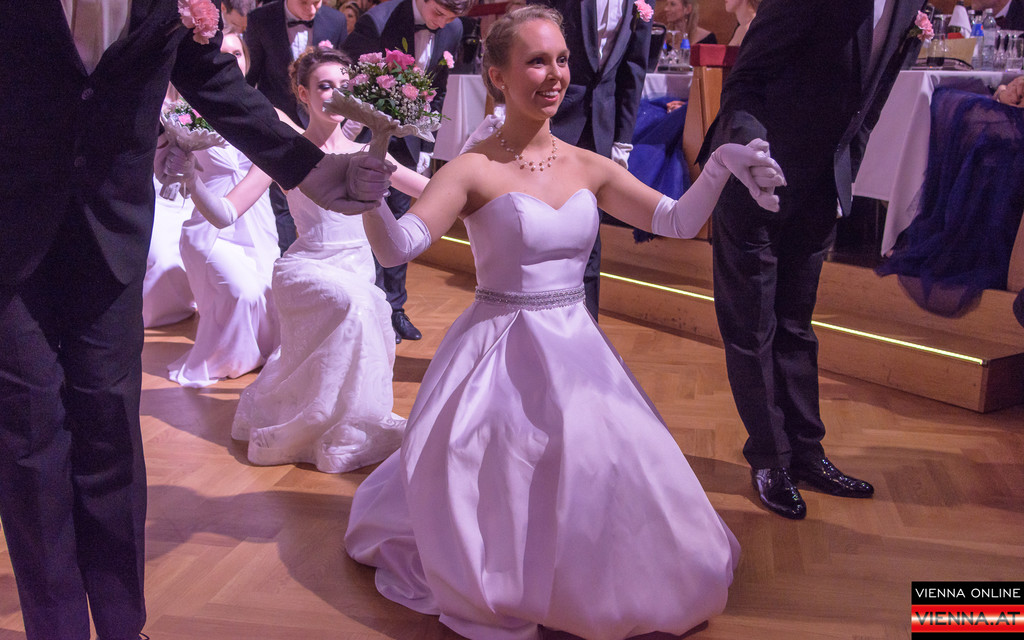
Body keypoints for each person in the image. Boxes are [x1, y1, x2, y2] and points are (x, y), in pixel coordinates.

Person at [344, 6, 785, 639]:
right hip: (496, 348)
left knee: (595, 466)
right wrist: (370, 202)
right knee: (500, 470)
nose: (554, 75)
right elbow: (398, 249)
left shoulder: (588, 164)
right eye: (535, 62)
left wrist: (720, 166)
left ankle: (593, 582)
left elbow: (677, 221)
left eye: (561, 60)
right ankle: (509, 574)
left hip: (577, 346)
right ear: (497, 76)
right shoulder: (471, 168)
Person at [0, 3, 390, 638]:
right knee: (28, 440)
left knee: (110, 427)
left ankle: (123, 626)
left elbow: (211, 78)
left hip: (110, 230)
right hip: (9, 236)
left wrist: (309, 168)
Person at [697, 0, 925, 521]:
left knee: (796, 325)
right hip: (755, 177)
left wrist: (847, 172)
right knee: (752, 326)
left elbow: (872, 97)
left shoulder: (911, 5)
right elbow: (745, 81)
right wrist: (751, 155)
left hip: (821, 186)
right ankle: (770, 459)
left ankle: (807, 452)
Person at [165, 46, 429, 472]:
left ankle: (349, 424)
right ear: (303, 95)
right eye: (324, 86)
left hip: (358, 269)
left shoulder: (371, 151)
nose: (335, 95)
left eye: (343, 86)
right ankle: (319, 423)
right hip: (307, 268)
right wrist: (192, 180)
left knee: (368, 305)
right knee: (359, 304)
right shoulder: (287, 154)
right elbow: (226, 213)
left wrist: (476, 158)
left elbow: (435, 192)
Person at [342, 0, 474, 343]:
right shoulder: (378, 21)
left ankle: (395, 308)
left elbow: (437, 91)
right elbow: (348, 81)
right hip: (366, 139)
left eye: (451, 18)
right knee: (365, 224)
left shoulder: (452, 28)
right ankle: (371, 306)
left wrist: (428, 147)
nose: (443, 23)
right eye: (439, 13)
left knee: (400, 225)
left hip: (409, 143)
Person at [168, 31, 282, 387]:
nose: (232, 58)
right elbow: (165, 174)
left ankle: (259, 354)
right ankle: (228, 359)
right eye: (223, 52)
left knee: (270, 294)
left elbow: (310, 149)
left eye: (238, 52)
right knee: (242, 292)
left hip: (258, 222)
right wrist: (178, 168)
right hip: (210, 226)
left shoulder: (265, 112)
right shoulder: (184, 113)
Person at [531, 0, 653, 321]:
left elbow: (634, 69)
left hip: (601, 128)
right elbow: (531, 33)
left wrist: (622, 140)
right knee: (542, 229)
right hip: (553, 118)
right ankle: (539, 324)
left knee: (588, 236)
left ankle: (587, 330)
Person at [246, 0, 349, 253]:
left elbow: (341, 76)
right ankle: (288, 257)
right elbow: (251, 76)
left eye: (318, 2)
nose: (312, 9)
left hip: (322, 126)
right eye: (305, 2)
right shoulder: (260, 19)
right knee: (282, 200)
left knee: (319, 202)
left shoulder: (336, 20)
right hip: (277, 125)